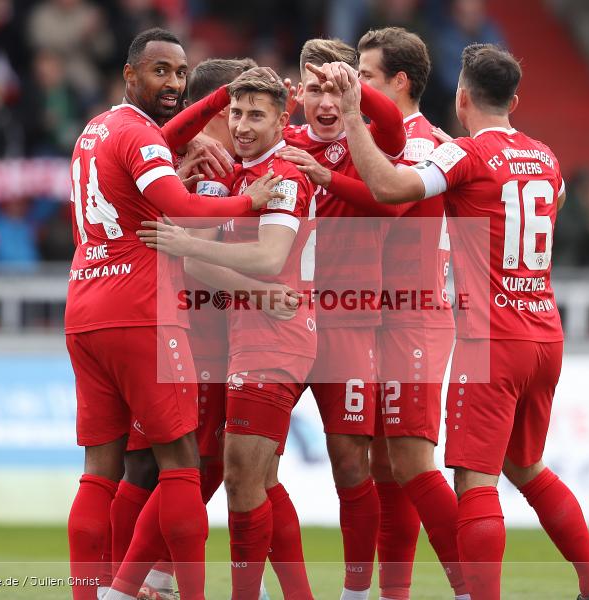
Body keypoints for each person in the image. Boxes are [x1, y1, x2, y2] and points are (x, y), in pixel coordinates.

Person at [318, 44, 589, 600]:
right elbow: (546, 204)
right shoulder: (545, 157)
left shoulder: (464, 154)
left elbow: (389, 189)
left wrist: (355, 119)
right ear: (513, 101)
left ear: (461, 99)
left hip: (493, 338)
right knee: (525, 466)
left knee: (475, 480)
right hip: (545, 331)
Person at [161, 38, 407, 600]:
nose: (326, 100)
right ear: (296, 98)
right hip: (268, 320)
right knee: (250, 469)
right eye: (315, 88)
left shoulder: (366, 142)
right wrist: (196, 144)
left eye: (335, 89)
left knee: (350, 464)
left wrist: (351, 102)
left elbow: (392, 197)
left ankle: (356, 592)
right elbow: (228, 139)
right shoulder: (276, 146)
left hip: (341, 322)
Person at [65, 28, 281, 600]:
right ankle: (184, 590)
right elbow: (180, 205)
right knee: (182, 464)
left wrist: (219, 96)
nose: (173, 83)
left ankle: (97, 592)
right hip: (141, 310)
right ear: (129, 73)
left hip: (84, 307)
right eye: (160, 71)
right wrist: (250, 202)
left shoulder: (94, 131)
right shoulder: (140, 136)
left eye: (181, 74)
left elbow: (152, 162)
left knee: (99, 472)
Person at [278, 27, 465, 600]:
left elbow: (392, 203)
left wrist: (327, 173)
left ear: (397, 82)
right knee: (386, 469)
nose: (352, 87)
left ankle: (473, 586)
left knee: (410, 463)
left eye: (363, 77)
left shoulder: (421, 140)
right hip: (372, 315)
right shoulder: (382, 137)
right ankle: (392, 593)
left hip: (412, 316)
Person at [139, 68, 317, 600]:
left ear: (281, 121)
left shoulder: (282, 176)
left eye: (256, 115)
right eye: (236, 113)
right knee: (254, 479)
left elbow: (270, 256)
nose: (242, 125)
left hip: (278, 339)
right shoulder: (243, 176)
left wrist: (186, 244)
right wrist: (255, 292)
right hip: (250, 334)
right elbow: (199, 268)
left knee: (239, 477)